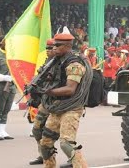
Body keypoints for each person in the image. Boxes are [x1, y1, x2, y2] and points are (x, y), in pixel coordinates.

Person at [39, 29, 92, 168]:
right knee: (45, 144)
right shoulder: (56, 61)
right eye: (54, 45)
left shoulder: (75, 64)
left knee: (66, 144)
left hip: (71, 108)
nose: (54, 48)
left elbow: (70, 89)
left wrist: (48, 91)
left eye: (58, 45)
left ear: (68, 46)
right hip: (57, 107)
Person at [29, 39, 55, 165]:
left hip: (59, 103)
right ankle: (42, 155)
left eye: (51, 48)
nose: (48, 50)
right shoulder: (47, 62)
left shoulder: (62, 63)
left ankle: (73, 158)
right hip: (45, 102)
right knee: (37, 129)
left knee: (64, 136)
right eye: (47, 48)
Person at [0, 38, 15, 140]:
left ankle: (2, 130)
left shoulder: (13, 55)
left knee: (7, 108)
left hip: (12, 85)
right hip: (0, 85)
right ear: (2, 43)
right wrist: (3, 77)